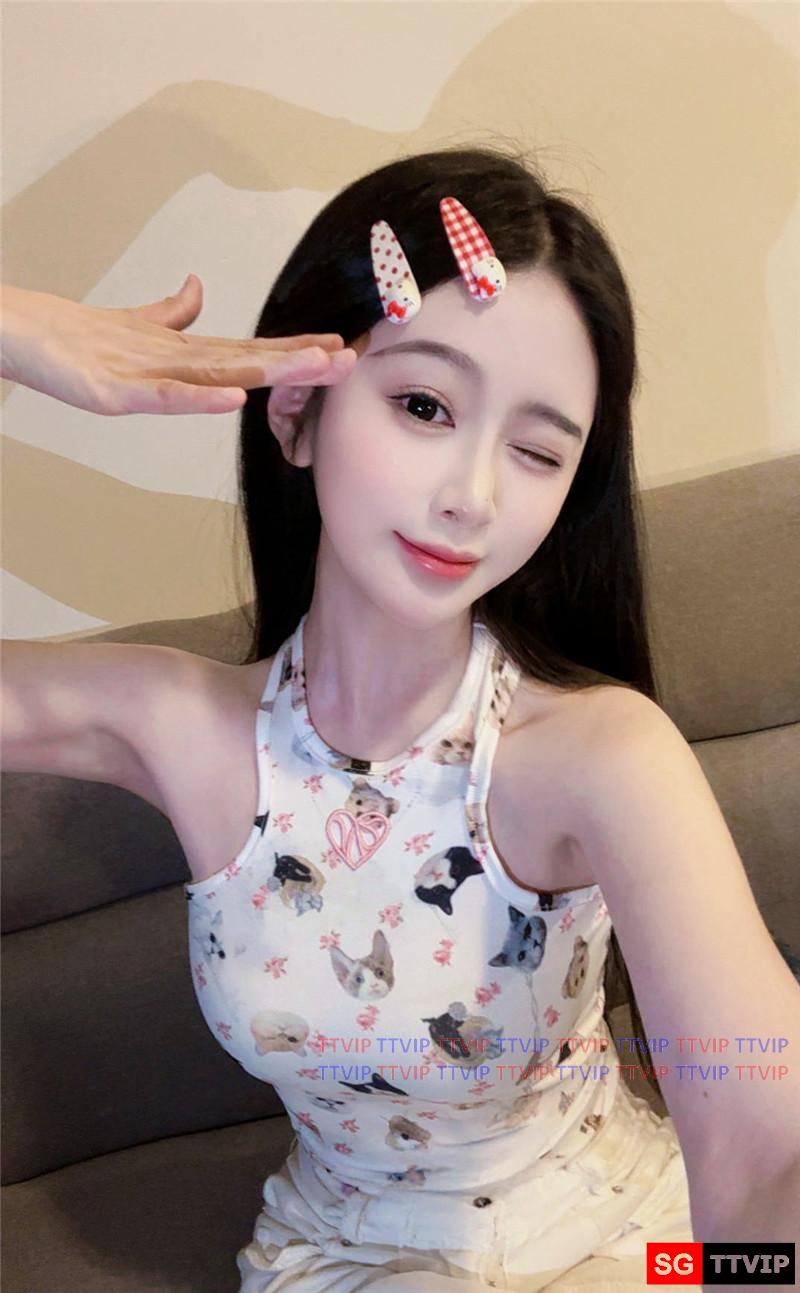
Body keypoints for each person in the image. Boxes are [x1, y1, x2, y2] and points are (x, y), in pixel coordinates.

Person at [2, 144, 798, 1293]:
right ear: (295, 415)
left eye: (535, 451)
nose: (471, 495)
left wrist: (742, 1274)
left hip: (636, 1247)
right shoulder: (183, 727)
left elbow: (762, 1143)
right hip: (348, 1263)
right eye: (423, 405)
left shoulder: (597, 754)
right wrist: (12, 331)